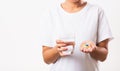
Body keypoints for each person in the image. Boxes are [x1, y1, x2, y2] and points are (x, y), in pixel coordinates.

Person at [41, 0, 113, 71]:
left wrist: (94, 49)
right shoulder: (51, 13)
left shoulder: (96, 11)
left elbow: (103, 56)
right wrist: (57, 50)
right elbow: (46, 59)